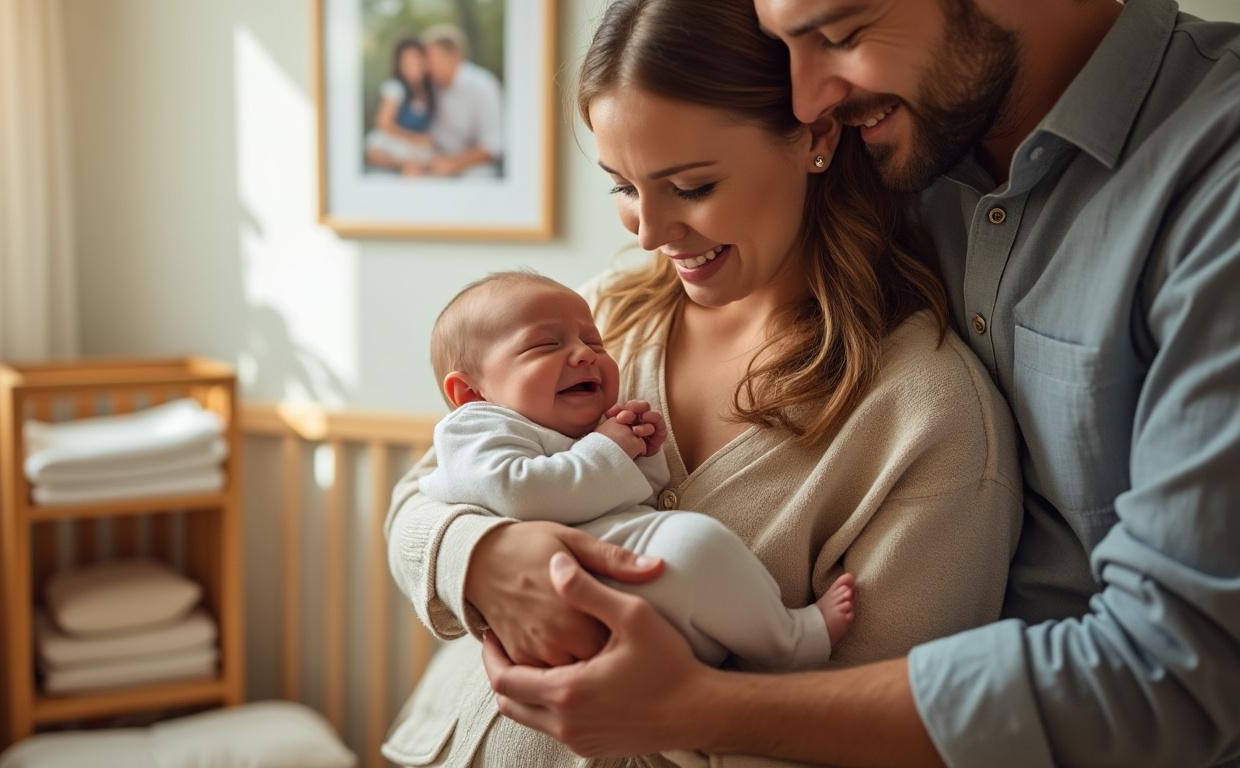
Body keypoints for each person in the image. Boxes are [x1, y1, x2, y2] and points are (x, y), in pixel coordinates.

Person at [482, 0, 1240, 766]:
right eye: (784, 45)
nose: (810, 98)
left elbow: (1177, 670)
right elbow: (455, 453)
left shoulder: (1202, 182)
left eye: (839, 36)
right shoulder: (627, 301)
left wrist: (690, 712)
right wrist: (477, 555)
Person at [381, 0, 1022, 764]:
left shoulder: (925, 418)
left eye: (689, 187)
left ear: (815, 135)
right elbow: (416, 502)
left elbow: (884, 731)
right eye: (623, 187)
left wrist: (676, 715)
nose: (649, 233)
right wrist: (479, 559)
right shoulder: (601, 319)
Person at [422, 270, 856, 675]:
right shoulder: (474, 428)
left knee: (701, 547)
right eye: (544, 346)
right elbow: (519, 492)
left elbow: (634, 497)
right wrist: (609, 447)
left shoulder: (578, 428)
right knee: (697, 544)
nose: (583, 355)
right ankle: (791, 639)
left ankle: (766, 634)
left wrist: (643, 453)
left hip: (633, 596)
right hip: (579, 592)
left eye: (594, 343)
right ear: (470, 391)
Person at [419, 24, 503, 178]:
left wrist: (454, 164)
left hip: (474, 170)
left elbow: (493, 145)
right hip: (434, 165)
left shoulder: (483, 86)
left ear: (454, 56)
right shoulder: (427, 87)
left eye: (431, 60)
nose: (426, 68)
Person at [364, 38, 438, 176]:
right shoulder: (395, 88)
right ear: (399, 64)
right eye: (407, 60)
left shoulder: (430, 91)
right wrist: (414, 138)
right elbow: (384, 123)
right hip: (395, 143)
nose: (413, 64)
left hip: (418, 147)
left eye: (417, 58)